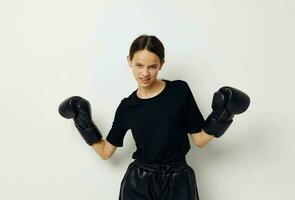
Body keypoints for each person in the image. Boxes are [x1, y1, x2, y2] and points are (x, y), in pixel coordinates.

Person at [58, 34, 250, 200]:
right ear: (129, 61)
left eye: (152, 66)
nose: (145, 73)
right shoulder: (127, 107)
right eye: (139, 65)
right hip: (139, 182)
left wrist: (225, 114)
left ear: (161, 65)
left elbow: (200, 140)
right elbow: (106, 152)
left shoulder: (179, 91)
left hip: (179, 180)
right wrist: (82, 122)